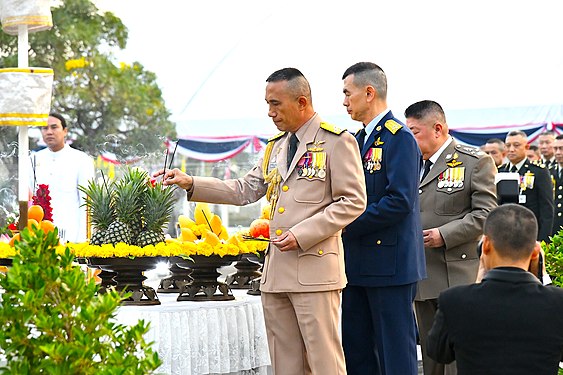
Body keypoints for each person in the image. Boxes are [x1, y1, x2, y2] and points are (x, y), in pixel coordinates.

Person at [155, 67, 367, 375]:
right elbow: (245, 189)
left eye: (276, 103)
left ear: (302, 102)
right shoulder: (276, 147)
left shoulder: (336, 141)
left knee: (324, 363)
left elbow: (352, 202)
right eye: (267, 103)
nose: (270, 112)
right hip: (276, 273)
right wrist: (191, 183)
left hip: (315, 272)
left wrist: (302, 233)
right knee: (284, 364)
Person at [340, 62, 426, 375]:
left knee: (395, 354)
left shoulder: (398, 137)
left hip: (389, 265)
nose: (345, 101)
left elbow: (400, 201)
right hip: (356, 263)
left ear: (369, 92)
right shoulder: (353, 139)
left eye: (348, 93)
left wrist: (346, 221)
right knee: (358, 351)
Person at [405, 100, 497, 375]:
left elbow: (486, 213)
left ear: (437, 129)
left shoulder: (474, 161)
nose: (410, 139)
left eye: (414, 132)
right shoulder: (412, 163)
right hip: (422, 271)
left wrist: (444, 235)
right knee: (431, 352)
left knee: (458, 354)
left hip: (455, 270)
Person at [426, 204, 563, 375]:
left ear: (485, 246)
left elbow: (438, 352)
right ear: (535, 252)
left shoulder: (454, 301)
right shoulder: (557, 304)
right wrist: (544, 279)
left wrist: (477, 283)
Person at [30, 112, 95, 242]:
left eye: (54, 127)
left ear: (65, 131)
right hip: (40, 237)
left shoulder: (81, 159)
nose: (49, 132)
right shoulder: (33, 159)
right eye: (45, 128)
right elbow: (30, 199)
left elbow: (87, 203)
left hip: (72, 236)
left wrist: (83, 240)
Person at [498, 130, 554, 242]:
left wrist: (543, 240)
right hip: (504, 233)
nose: (511, 149)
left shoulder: (539, 172)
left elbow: (547, 209)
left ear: (527, 147)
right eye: (508, 146)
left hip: (529, 232)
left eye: (516, 145)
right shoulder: (500, 171)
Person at [550, 134, 563, 236]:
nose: (558, 152)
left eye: (561, 149)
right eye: (556, 149)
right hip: (554, 226)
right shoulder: (549, 171)